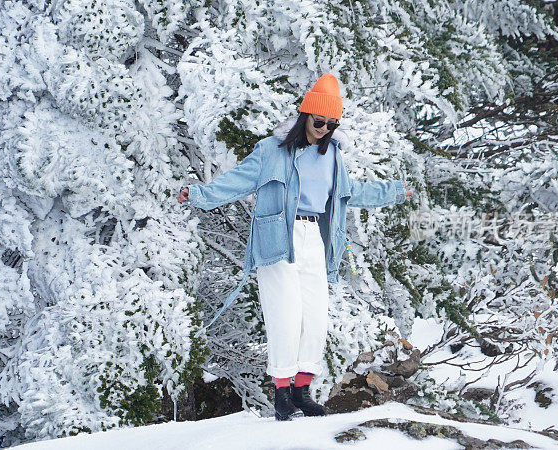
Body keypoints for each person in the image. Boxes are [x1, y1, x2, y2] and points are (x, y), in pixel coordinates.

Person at [176, 73, 413, 421]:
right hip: (277, 240)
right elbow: (235, 182)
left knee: (314, 318)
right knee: (285, 316)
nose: (325, 129)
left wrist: (393, 192)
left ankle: (302, 390)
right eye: (320, 121)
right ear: (306, 115)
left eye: (332, 124)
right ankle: (282, 394)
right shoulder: (270, 151)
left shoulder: (332, 155)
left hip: (315, 239)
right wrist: (198, 195)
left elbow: (353, 192)